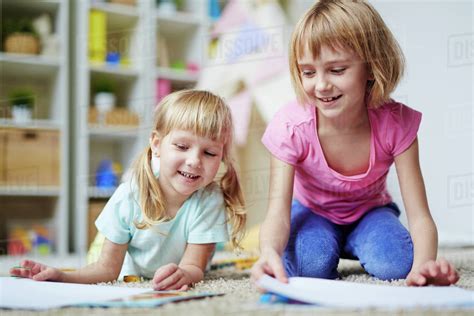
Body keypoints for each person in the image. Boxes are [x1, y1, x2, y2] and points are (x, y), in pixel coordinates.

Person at [251, 0, 459, 287]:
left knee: (397, 264)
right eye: (308, 72)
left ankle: (359, 243)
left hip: (370, 213)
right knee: (308, 266)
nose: (321, 85)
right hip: (312, 212)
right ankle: (325, 244)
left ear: (372, 68)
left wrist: (424, 268)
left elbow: (420, 216)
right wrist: (268, 253)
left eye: (337, 70)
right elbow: (277, 213)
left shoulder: (396, 123)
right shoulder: (291, 127)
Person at [11, 90, 246, 290]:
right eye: (182, 146)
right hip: (130, 270)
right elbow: (106, 270)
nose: (194, 161)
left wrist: (185, 274)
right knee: (98, 255)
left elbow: (194, 266)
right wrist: (63, 276)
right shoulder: (130, 194)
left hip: (173, 266)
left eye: (210, 153)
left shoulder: (210, 198)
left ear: (221, 157)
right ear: (157, 144)